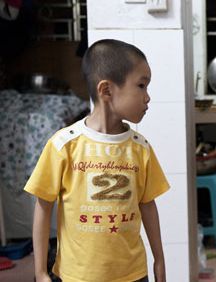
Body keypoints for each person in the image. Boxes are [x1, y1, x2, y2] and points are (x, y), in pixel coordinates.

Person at [25, 39, 169, 282]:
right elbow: (43, 207)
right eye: (141, 86)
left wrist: (160, 260)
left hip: (133, 275)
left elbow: (148, 205)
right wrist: (40, 272)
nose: (147, 98)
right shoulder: (64, 145)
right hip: (76, 276)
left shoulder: (140, 148)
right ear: (106, 90)